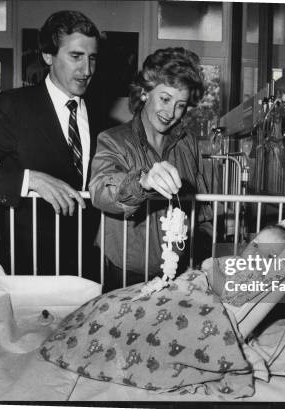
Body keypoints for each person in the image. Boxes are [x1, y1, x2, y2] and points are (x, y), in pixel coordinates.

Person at [0, 11, 102, 276]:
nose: (87, 70)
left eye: (92, 58)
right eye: (76, 56)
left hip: (86, 266)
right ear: (48, 56)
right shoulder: (13, 107)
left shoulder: (99, 110)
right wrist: (28, 180)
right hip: (30, 268)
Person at [89, 47, 213, 291]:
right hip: (126, 273)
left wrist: (202, 253)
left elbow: (202, 210)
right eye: (165, 99)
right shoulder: (114, 139)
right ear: (145, 92)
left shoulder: (188, 143)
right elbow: (100, 189)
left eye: (181, 105)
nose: (171, 113)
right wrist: (142, 181)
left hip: (180, 271)